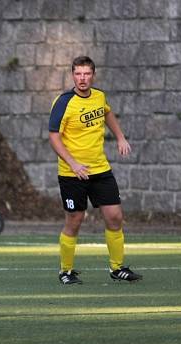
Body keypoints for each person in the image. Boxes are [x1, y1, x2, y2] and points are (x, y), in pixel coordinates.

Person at [48, 55, 142, 285]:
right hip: (72, 173)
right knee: (75, 220)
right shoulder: (63, 102)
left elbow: (107, 113)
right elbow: (53, 137)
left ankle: (117, 268)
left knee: (115, 216)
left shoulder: (99, 96)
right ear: (73, 75)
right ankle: (66, 271)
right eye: (78, 74)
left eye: (86, 74)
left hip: (100, 169)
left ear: (93, 75)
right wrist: (73, 164)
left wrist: (120, 137)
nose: (82, 78)